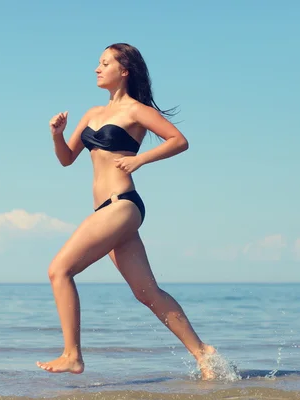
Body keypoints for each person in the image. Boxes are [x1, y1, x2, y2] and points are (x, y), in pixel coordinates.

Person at [36, 43, 217, 380]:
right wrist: (56, 135)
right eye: (98, 63)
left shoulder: (136, 111)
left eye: (105, 63)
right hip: (106, 208)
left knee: (59, 270)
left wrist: (140, 159)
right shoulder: (91, 113)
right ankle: (204, 354)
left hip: (123, 204)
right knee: (146, 293)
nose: (97, 68)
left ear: (125, 70)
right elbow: (66, 158)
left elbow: (178, 140)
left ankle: (72, 355)